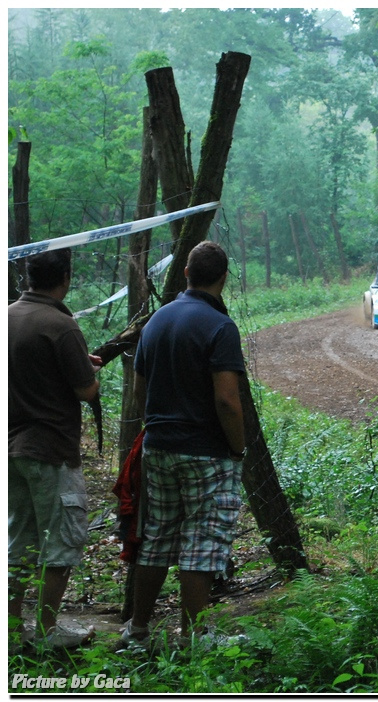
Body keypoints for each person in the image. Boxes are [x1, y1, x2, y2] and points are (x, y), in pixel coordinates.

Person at [121, 240, 246, 649]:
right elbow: (227, 399)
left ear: (187, 274)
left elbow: (139, 388)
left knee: (157, 537)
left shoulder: (157, 320)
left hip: (158, 446)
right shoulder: (220, 326)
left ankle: (137, 631)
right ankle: (195, 638)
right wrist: (238, 447)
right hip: (206, 452)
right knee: (203, 543)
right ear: (223, 279)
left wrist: (156, 426)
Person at [9, 248, 101, 650]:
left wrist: (78, 361)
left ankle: (11, 630)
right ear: (64, 277)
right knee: (61, 542)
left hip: (10, 448)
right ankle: (47, 632)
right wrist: (87, 369)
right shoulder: (61, 325)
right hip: (51, 449)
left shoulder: (8, 316)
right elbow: (86, 390)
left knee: (21, 542)